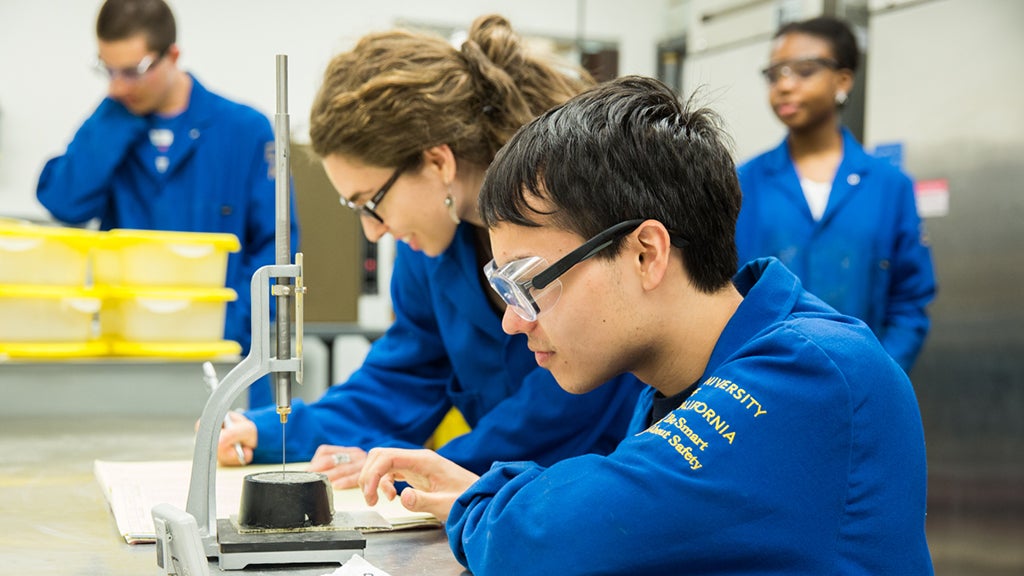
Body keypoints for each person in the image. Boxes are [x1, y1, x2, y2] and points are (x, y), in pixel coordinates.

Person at [357, 76, 934, 575]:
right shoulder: (675, 386)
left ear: (645, 254)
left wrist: (480, 501)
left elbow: (560, 539)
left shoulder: (813, 371)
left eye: (530, 282)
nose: (513, 320)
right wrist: (473, 491)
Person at [215, 15, 644, 487]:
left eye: (372, 203)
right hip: (504, 491)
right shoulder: (431, 250)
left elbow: (575, 399)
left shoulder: (574, 216)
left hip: (605, 486)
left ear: (437, 161)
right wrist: (278, 431)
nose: (374, 232)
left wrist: (439, 467)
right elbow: (405, 378)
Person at [35, 0, 298, 408]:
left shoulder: (245, 130)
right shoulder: (112, 123)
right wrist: (111, 122)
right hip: (134, 360)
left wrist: (226, 324)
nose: (117, 86)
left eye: (133, 71)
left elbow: (274, 249)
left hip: (229, 354)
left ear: (173, 55)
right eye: (107, 69)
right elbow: (64, 202)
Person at [735, 16, 936, 373]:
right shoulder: (743, 183)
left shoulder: (889, 187)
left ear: (843, 80)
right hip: (761, 386)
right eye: (774, 74)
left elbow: (909, 301)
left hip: (860, 388)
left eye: (804, 71)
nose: (784, 85)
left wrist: (879, 375)